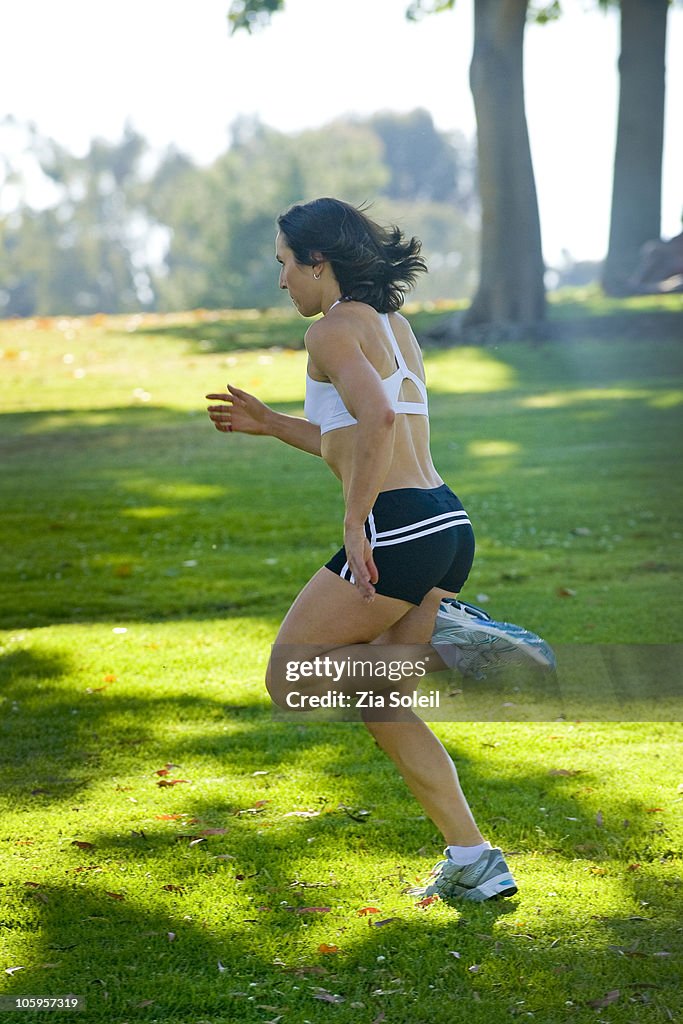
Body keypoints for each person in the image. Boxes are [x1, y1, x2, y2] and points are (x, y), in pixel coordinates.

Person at [206, 198, 517, 904]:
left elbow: (374, 419)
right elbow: (356, 436)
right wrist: (270, 424)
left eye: (286, 264)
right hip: (442, 522)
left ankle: (459, 647)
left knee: (290, 677)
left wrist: (354, 523)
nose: (281, 280)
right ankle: (474, 860)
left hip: (394, 527)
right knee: (383, 700)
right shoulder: (393, 327)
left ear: (320, 262)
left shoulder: (329, 334)